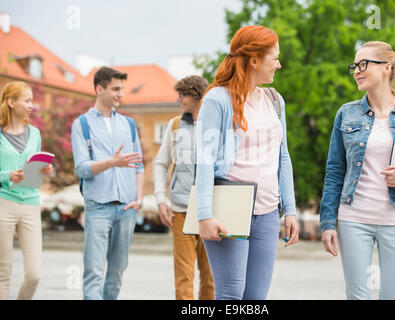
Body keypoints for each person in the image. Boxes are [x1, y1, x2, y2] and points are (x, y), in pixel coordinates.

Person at [319, 41, 395, 300]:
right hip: (354, 218)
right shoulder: (346, 114)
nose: (356, 71)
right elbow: (335, 172)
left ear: (387, 67)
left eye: (363, 64)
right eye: (354, 65)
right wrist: (328, 222)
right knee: (358, 295)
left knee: (393, 296)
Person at [195, 25, 299, 300]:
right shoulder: (218, 99)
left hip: (267, 212)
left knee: (256, 296)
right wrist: (205, 215)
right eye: (274, 57)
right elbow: (204, 160)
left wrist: (290, 210)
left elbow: (283, 156)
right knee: (231, 294)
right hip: (229, 207)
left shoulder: (275, 100)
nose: (279, 64)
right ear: (254, 59)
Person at [71, 66, 144, 300]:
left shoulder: (129, 125)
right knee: (94, 272)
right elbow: (82, 168)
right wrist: (112, 163)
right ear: (99, 89)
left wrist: (139, 200)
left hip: (126, 209)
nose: (120, 94)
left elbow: (139, 166)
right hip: (98, 208)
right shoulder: (81, 124)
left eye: (122, 89)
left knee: (116, 273)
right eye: (115, 89)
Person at [153, 75, 214, 300]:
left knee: (211, 276)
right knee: (183, 274)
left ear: (197, 95)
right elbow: (161, 164)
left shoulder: (217, 124)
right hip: (181, 208)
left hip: (211, 210)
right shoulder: (175, 125)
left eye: (183, 94)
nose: (178, 99)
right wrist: (161, 199)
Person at [0, 81, 53, 300]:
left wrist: (44, 170)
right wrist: (7, 175)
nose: (32, 105)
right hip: (4, 203)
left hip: (31, 203)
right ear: (11, 102)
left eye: (32, 100)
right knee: (3, 273)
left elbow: (34, 170)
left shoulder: (35, 134)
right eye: (27, 100)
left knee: (34, 274)